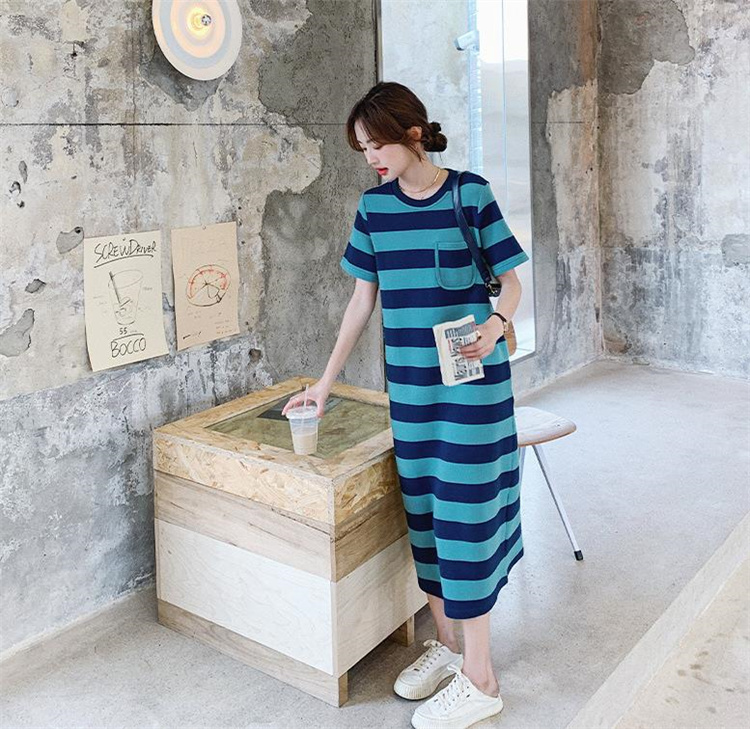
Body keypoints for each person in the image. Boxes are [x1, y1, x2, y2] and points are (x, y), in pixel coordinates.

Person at [281, 81, 529, 729]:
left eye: (377, 145)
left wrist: (497, 323)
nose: (370, 158)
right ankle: (448, 648)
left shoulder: (469, 194)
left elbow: (511, 282)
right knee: (425, 521)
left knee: (465, 523)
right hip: (411, 396)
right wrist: (325, 383)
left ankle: (482, 678)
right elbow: (361, 301)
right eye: (362, 148)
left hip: (473, 393)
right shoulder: (374, 209)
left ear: (413, 133)